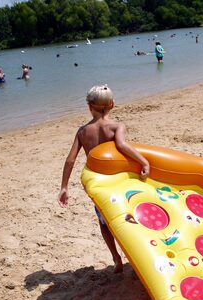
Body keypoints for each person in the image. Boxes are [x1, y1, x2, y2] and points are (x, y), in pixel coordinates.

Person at [58, 84, 150, 273]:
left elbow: (70, 160)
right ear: (112, 104)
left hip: (99, 186)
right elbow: (123, 145)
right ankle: (138, 257)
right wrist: (144, 162)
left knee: (104, 222)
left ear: (88, 106)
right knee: (127, 219)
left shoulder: (83, 131)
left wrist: (64, 186)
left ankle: (116, 259)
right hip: (118, 182)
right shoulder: (116, 126)